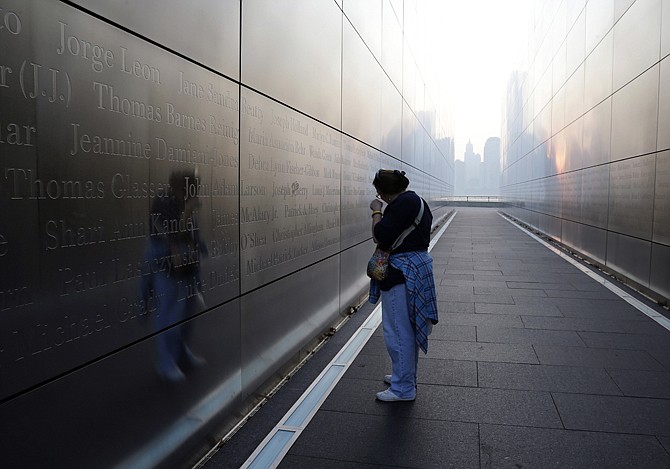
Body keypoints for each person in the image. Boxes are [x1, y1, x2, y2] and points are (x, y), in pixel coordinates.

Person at [368, 169, 438, 402]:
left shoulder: (399, 205)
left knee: (398, 330)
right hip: (416, 268)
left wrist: (376, 211)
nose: (379, 194)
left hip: (401, 273)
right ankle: (404, 377)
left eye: (379, 191)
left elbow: (380, 235)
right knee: (408, 328)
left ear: (386, 191)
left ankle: (402, 388)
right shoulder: (416, 201)